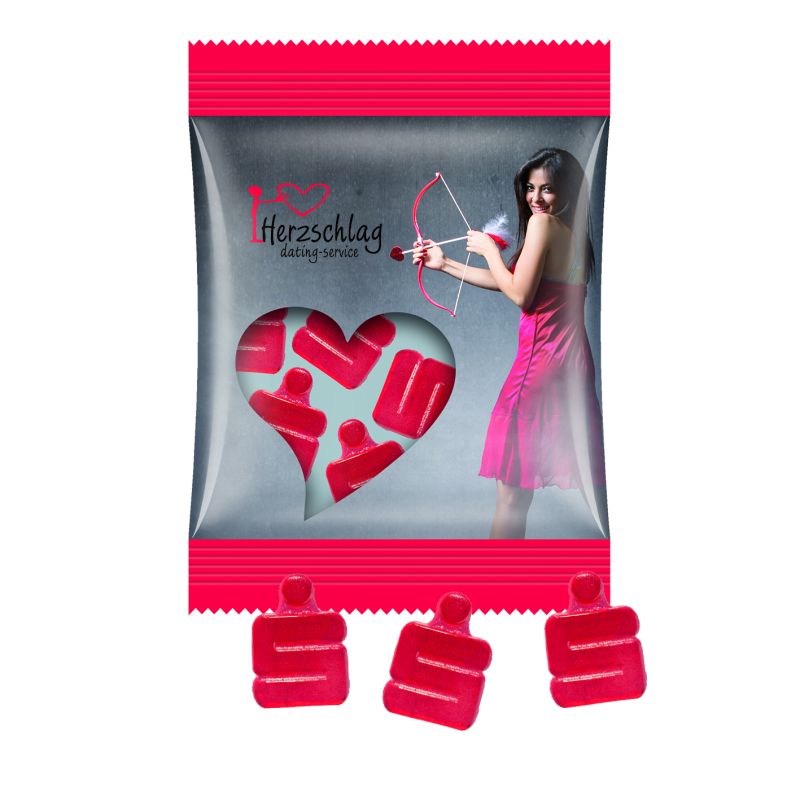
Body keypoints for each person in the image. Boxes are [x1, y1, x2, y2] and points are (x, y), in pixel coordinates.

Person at [413, 148, 606, 539]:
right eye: (530, 188)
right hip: (570, 366)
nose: (536, 198)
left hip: (538, 368)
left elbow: (519, 294)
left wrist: (489, 251)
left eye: (547, 188)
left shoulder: (542, 225)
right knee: (531, 492)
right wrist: (445, 263)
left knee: (512, 498)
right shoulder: (571, 233)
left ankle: (500, 575)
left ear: (567, 190)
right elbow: (518, 284)